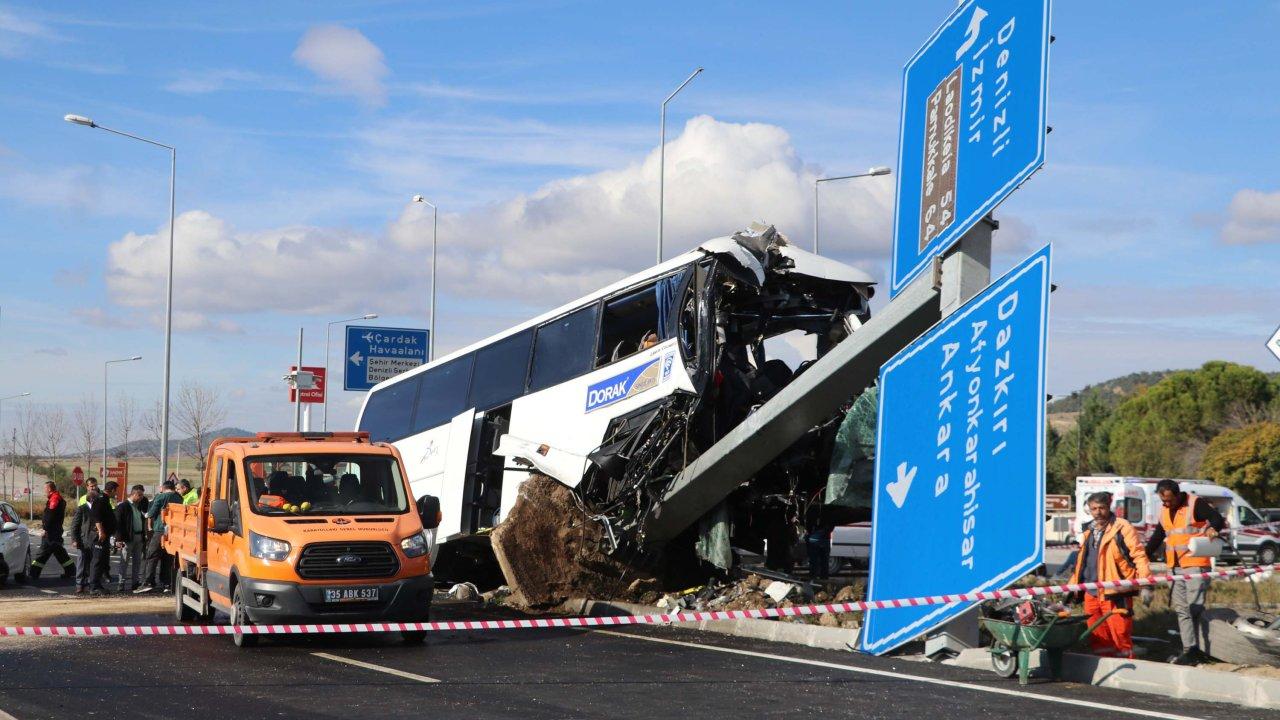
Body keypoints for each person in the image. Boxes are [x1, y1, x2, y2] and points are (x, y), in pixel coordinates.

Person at [1145, 479, 1227, 665]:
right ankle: (1190, 649)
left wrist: (1212, 528)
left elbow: (1217, 518)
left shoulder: (1194, 503)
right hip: (1173, 566)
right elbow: (1159, 535)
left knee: (1194, 608)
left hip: (1195, 564)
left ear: (1178, 494)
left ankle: (1204, 649)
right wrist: (1145, 554)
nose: (1167, 504)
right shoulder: (1165, 510)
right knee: (1182, 610)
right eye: (1163, 500)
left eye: (1169, 500)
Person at [1069, 492, 1151, 658]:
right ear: (1089, 509)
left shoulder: (1122, 527)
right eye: (1094, 509)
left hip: (1116, 591)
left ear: (1109, 507)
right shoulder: (1088, 530)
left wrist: (1145, 584)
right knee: (1097, 635)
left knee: (1120, 634)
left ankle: (1127, 665)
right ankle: (1105, 664)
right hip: (1091, 592)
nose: (1098, 512)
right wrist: (1072, 586)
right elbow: (1082, 562)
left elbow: (1139, 555)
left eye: (1101, 508)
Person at [137, 480, 183, 594]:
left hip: (160, 530)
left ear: (163, 488)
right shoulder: (179, 498)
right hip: (173, 531)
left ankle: (148, 582)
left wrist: (146, 514)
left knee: (152, 555)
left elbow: (151, 513)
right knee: (168, 558)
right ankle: (167, 583)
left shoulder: (161, 497)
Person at [29, 481, 76, 581]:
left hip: (51, 532)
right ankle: (71, 571)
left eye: (45, 488)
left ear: (49, 489)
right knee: (59, 552)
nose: (44, 490)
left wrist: (45, 529)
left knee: (42, 553)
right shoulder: (56, 497)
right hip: (55, 530)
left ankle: (33, 573)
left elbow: (50, 516)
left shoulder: (54, 499)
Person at [114, 484, 147, 592]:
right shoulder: (123, 506)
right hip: (128, 538)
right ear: (134, 494)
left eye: (142, 495)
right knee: (124, 561)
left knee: (137, 561)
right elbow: (118, 523)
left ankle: (135, 583)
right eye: (140, 495)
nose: (142, 497)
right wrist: (119, 539)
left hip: (139, 537)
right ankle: (121, 583)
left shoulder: (139, 506)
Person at [87, 481, 118, 595]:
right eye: (116, 491)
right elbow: (96, 517)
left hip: (104, 536)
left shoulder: (105, 499)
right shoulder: (100, 499)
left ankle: (98, 584)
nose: (116, 494)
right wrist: (101, 531)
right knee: (97, 560)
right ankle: (94, 586)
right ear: (112, 490)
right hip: (99, 536)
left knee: (102, 561)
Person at [70, 485, 100, 594]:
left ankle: (87, 584)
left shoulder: (98, 509)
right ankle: (79, 584)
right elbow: (75, 525)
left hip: (94, 540)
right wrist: (74, 539)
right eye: (97, 499)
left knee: (90, 563)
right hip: (83, 540)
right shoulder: (82, 509)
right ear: (92, 499)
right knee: (82, 562)